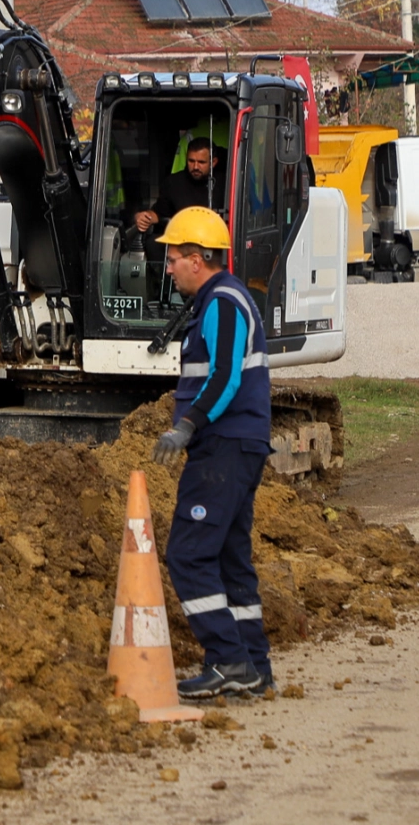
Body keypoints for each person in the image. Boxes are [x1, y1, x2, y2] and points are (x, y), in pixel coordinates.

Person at [149, 207, 274, 698]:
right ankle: (253, 665)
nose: (169, 267)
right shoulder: (220, 301)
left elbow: (225, 376)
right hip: (238, 444)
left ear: (198, 260)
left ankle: (227, 660)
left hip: (223, 446)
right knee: (228, 557)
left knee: (188, 554)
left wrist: (186, 426)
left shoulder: (222, 301)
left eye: (174, 257)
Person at [134, 138, 226, 234]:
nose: (195, 167)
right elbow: (159, 213)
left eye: (201, 162)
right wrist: (144, 217)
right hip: (181, 240)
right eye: (191, 161)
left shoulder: (226, 184)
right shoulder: (173, 182)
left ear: (214, 162)